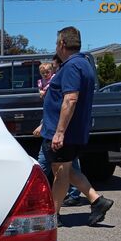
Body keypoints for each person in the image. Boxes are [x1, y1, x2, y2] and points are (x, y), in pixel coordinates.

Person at [40, 26, 113, 227]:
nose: (56, 47)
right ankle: (97, 201)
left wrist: (59, 132)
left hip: (65, 133)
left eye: (57, 43)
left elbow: (71, 99)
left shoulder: (72, 67)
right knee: (68, 170)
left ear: (62, 44)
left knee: (61, 173)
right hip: (68, 131)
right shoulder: (83, 64)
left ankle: (53, 218)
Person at [34, 54, 82, 207]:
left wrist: (57, 131)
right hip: (53, 128)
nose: (50, 73)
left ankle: (57, 209)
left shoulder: (61, 80)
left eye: (53, 68)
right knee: (64, 167)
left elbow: (66, 104)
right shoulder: (56, 81)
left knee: (58, 167)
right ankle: (94, 199)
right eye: (46, 72)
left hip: (56, 130)